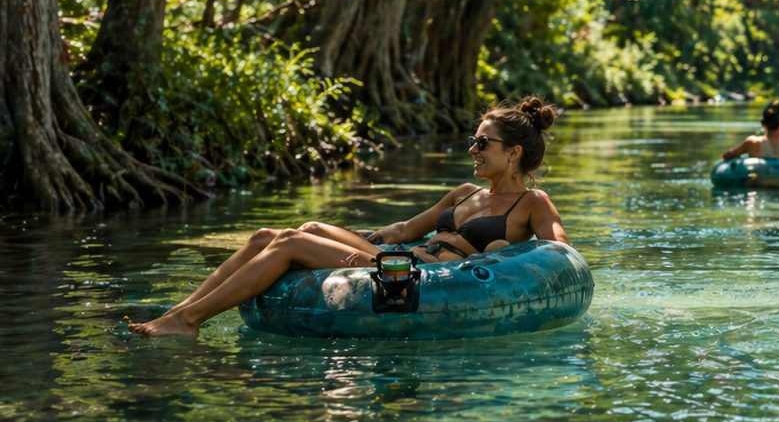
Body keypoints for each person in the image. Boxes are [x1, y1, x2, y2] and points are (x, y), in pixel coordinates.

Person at [128, 96, 569, 337]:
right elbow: (404, 231)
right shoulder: (465, 192)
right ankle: (179, 311)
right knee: (275, 233)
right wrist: (348, 236)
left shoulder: (532, 203)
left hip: (428, 278)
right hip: (401, 257)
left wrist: (501, 256)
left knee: (292, 245)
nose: (472, 149)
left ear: (512, 154)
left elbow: (559, 253)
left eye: (482, 143)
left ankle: (188, 324)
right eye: (472, 140)